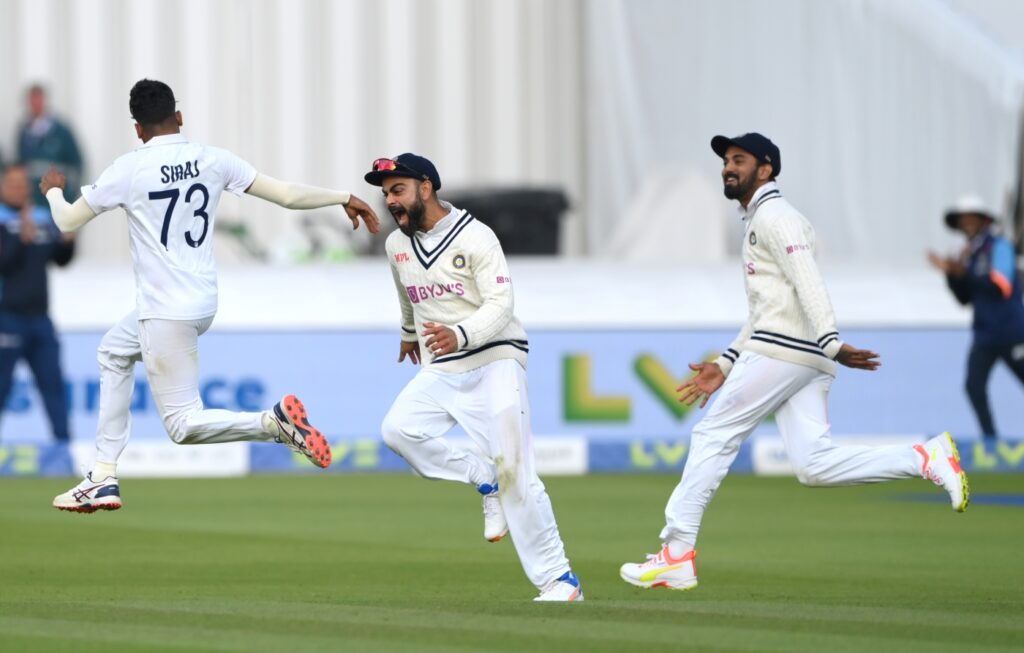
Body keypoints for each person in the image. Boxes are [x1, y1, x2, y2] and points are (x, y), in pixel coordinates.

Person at [620, 133, 969, 592]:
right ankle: (924, 457)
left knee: (713, 434)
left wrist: (831, 340)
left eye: (738, 160)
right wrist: (725, 364)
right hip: (797, 352)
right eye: (726, 160)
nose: (728, 167)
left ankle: (677, 552)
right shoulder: (759, 219)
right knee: (813, 465)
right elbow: (765, 311)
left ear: (765, 169)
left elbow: (808, 280)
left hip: (786, 349)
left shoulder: (775, 216)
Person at [41, 79, 381, 513]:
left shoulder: (129, 168)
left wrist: (52, 189)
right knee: (112, 351)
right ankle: (102, 474)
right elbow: (285, 195)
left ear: (138, 129)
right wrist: (342, 196)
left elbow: (68, 221)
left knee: (182, 426)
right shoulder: (212, 159)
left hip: (165, 310)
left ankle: (272, 423)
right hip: (201, 303)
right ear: (178, 117)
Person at [368, 154, 583, 602]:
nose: (391, 201)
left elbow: (501, 303)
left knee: (517, 471)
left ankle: (560, 581)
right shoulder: (396, 245)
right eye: (387, 193)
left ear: (426, 188)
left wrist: (459, 333)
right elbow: (407, 293)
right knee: (398, 430)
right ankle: (479, 475)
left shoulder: (477, 235)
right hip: (443, 365)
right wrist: (410, 332)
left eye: (398, 190)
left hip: (495, 359)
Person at [927, 196, 1024, 440]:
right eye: (963, 220)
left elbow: (1000, 288)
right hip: (984, 336)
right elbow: (965, 298)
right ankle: (992, 443)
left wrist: (963, 272)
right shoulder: (969, 254)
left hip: (1012, 332)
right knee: (974, 387)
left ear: (984, 221)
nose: (967, 223)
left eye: (972, 218)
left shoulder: (999, 247)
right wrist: (951, 275)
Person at [0, 163, 76, 442]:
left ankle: (63, 450)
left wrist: (68, 241)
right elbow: (4, 265)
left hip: (40, 318)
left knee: (53, 385)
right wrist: (22, 239)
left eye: (23, 183)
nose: (20, 189)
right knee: (2, 387)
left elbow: (60, 260)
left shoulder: (42, 218)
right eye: (14, 184)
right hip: (6, 316)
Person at [17, 84, 84, 207]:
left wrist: (69, 200)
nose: (35, 105)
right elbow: (20, 166)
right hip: (33, 205)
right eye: (32, 101)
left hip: (57, 202)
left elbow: (76, 167)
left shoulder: (62, 132)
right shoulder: (24, 133)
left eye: (38, 100)